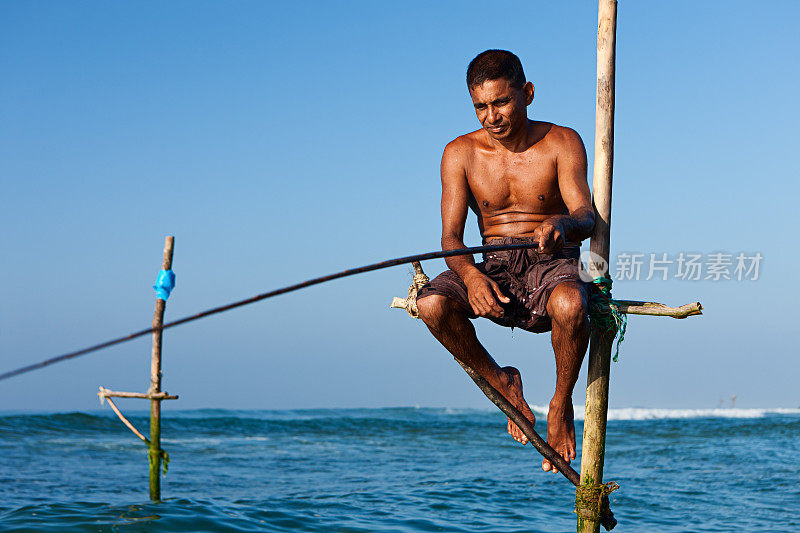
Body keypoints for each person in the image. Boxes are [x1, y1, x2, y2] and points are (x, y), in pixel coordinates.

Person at [416, 49, 594, 474]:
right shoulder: (459, 153)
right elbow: (450, 237)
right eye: (481, 106)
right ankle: (502, 382)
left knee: (571, 305)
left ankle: (560, 402)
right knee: (430, 304)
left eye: (501, 102)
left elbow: (586, 216)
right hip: (493, 264)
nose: (491, 116)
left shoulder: (562, 141)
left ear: (527, 93)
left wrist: (560, 225)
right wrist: (470, 275)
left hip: (553, 260)